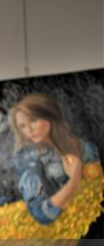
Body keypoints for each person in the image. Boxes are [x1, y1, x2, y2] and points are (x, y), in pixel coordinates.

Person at [9, 93, 101, 225]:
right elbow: (41, 213)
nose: (28, 130)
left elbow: (98, 191)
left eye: (33, 120)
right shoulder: (27, 161)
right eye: (22, 126)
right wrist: (73, 182)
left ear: (50, 116)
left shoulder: (84, 147)